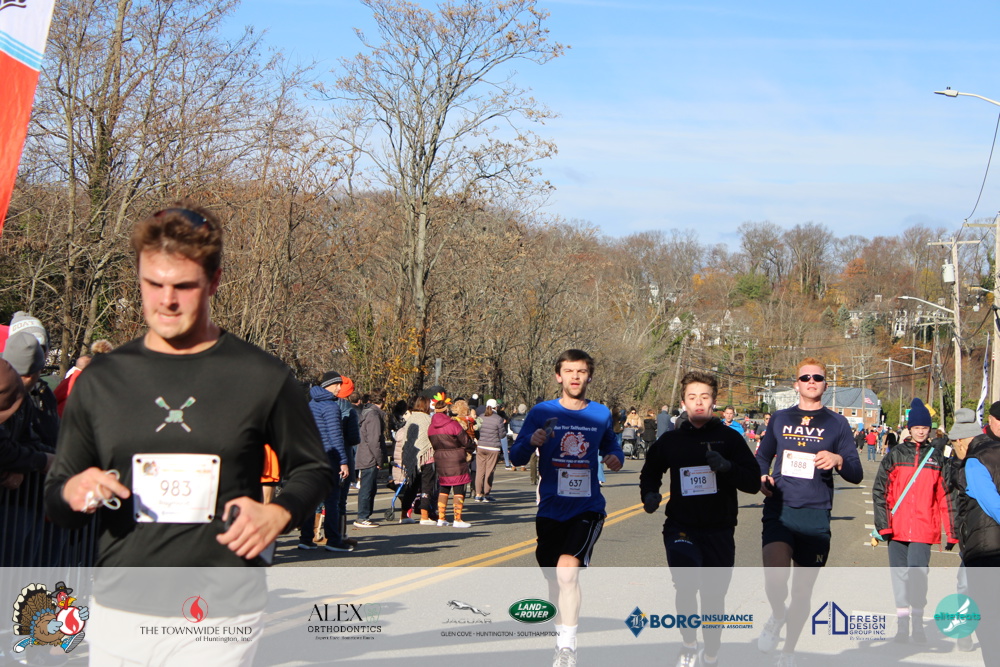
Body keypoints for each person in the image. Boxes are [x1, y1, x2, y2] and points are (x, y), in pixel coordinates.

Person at [42, 204, 333, 664]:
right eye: (153, 284)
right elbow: (57, 499)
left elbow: (314, 467)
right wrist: (72, 492)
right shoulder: (103, 380)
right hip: (122, 606)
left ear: (214, 282)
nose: (166, 301)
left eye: (183, 286)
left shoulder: (261, 376)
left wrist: (279, 513)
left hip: (221, 609)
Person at [509, 349, 623, 667]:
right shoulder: (541, 412)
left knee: (567, 573)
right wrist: (531, 441)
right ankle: (560, 638)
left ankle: (568, 648)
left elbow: (612, 445)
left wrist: (616, 457)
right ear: (558, 376)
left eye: (581, 371)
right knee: (554, 581)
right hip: (550, 507)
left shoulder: (600, 413)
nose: (575, 377)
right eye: (569, 371)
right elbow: (516, 457)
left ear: (590, 376)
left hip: (588, 507)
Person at [640, 371, 760, 667]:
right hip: (681, 526)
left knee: (713, 597)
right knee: (686, 584)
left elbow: (752, 482)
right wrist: (649, 494)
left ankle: (711, 653)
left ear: (713, 402)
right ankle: (688, 644)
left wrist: (727, 467)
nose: (698, 403)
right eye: (692, 397)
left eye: (704, 397)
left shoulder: (729, 438)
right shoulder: (671, 440)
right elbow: (650, 471)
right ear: (683, 402)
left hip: (719, 529)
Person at [755, 358, 863, 667]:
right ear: (796, 384)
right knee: (775, 579)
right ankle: (778, 615)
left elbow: (856, 473)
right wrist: (761, 477)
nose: (811, 381)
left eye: (817, 377)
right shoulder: (780, 418)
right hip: (780, 507)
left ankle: (789, 651)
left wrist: (838, 460)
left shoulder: (837, 424)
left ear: (826, 385)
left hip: (815, 514)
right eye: (805, 378)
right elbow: (762, 457)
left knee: (801, 593)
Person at [871, 399, 958, 642]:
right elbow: (881, 491)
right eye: (917, 427)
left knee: (918, 577)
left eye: (925, 427)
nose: (921, 431)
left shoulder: (938, 458)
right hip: (896, 528)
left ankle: (918, 626)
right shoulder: (896, 454)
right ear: (909, 428)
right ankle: (902, 627)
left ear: (930, 429)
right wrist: (883, 525)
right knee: (899, 577)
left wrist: (952, 532)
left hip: (923, 528)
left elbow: (947, 497)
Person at [298, 371, 355, 552]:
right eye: (337, 384)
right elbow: (335, 437)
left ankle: (306, 539)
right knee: (332, 500)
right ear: (329, 385)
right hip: (328, 457)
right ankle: (333, 540)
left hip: (310, 456)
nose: (339, 388)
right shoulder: (331, 407)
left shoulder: (311, 404)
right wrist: (343, 461)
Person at [428, 390, 474, 527]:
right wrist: (470, 447)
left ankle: (441, 517)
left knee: (444, 487)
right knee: (459, 487)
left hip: (440, 458)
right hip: (456, 458)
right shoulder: (453, 425)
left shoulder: (431, 427)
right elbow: (465, 441)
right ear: (446, 410)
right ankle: (457, 519)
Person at [354, 389, 387, 528]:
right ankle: (362, 517)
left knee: (369, 487)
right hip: (370, 456)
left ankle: (364, 516)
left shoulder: (366, 412)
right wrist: (379, 459)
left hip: (365, 454)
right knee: (367, 488)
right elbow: (374, 440)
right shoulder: (373, 415)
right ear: (383, 399)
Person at [474, 399, 505, 502]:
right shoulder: (498, 419)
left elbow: (477, 430)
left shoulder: (481, 417)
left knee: (480, 471)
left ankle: (478, 494)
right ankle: (486, 494)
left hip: (481, 446)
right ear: (496, 407)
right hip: (493, 447)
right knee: (489, 471)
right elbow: (502, 435)